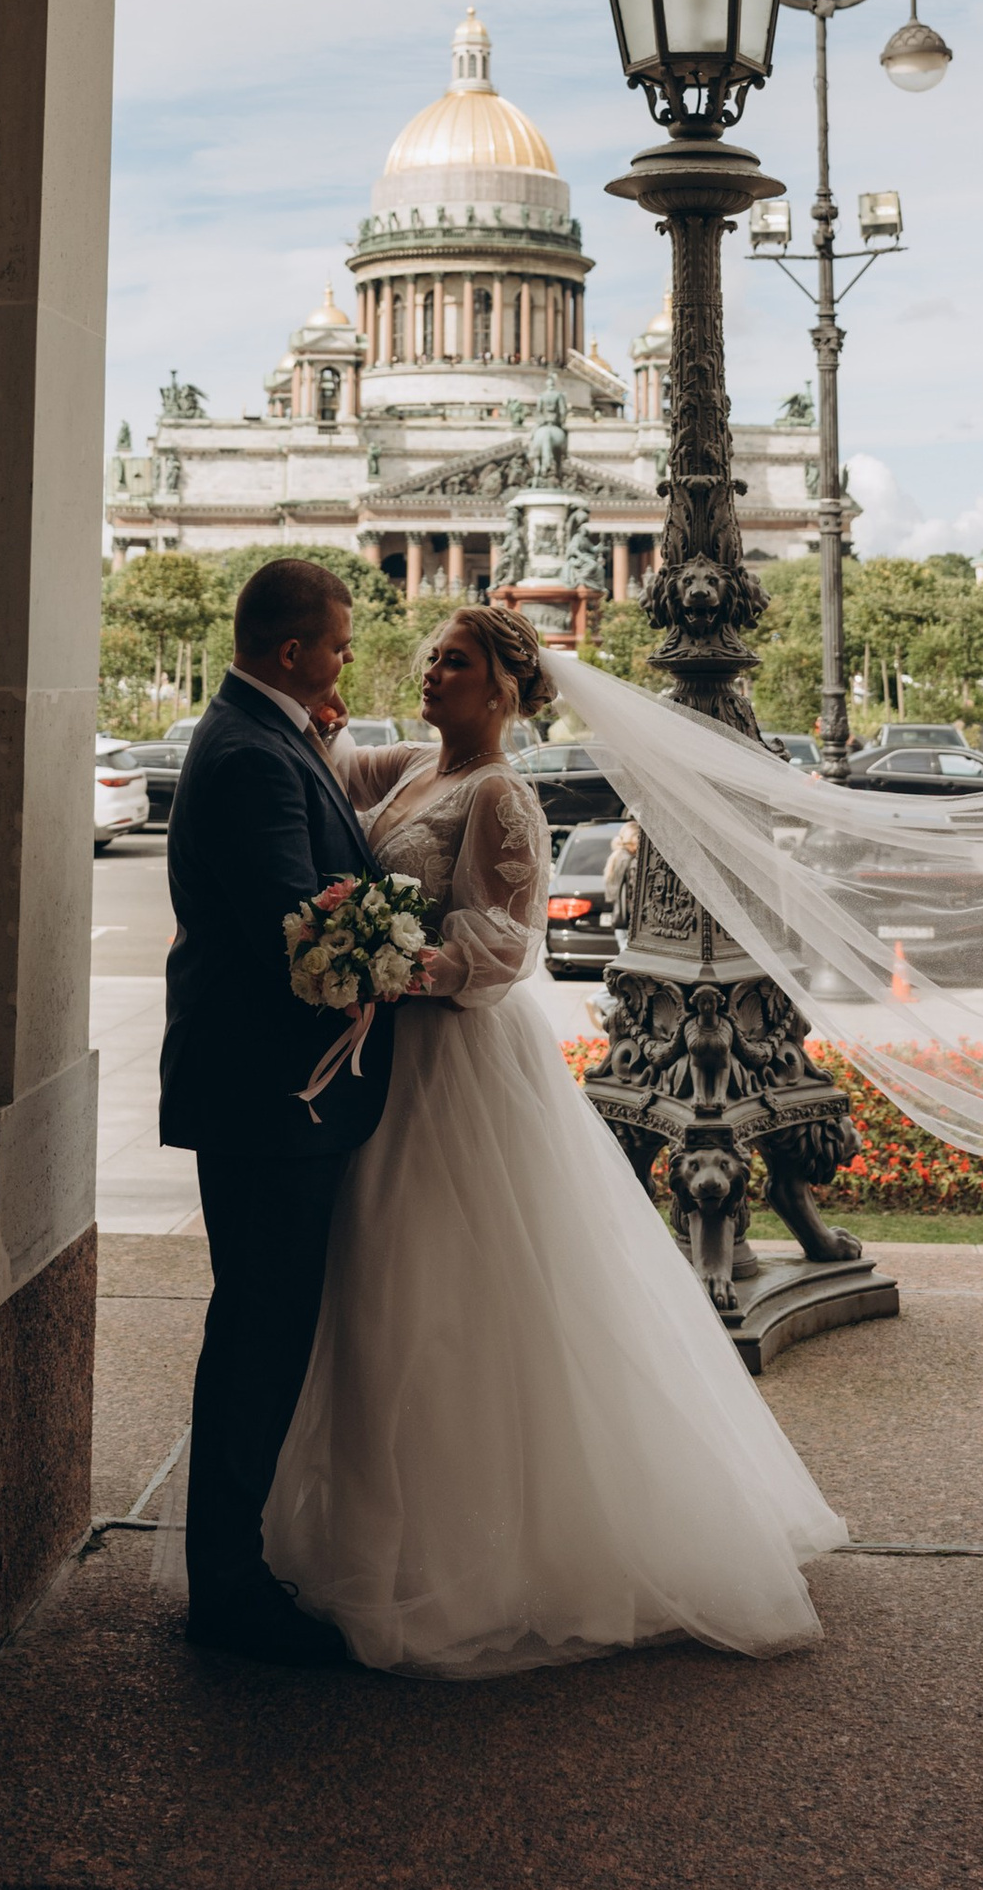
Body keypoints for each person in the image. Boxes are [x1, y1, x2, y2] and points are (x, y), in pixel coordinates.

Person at [261, 600, 844, 1676]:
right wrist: (317, 714)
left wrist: (394, 964)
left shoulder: (502, 793)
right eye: (430, 656)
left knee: (446, 1295)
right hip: (394, 1063)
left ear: (501, 690)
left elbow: (505, 944)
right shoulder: (410, 770)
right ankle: (375, 1532)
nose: (430, 671)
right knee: (379, 1291)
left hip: (455, 1062)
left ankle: (485, 1554)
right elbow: (325, 762)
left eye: (454, 662)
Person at [160, 556, 401, 1665]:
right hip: (271, 1098)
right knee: (260, 1338)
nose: (347, 663)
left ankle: (232, 1568)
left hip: (257, 1092)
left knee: (257, 1330)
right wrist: (402, 958)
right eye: (339, 647)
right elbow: (301, 938)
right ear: (295, 650)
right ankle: (228, 1588)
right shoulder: (254, 755)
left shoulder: (262, 733)